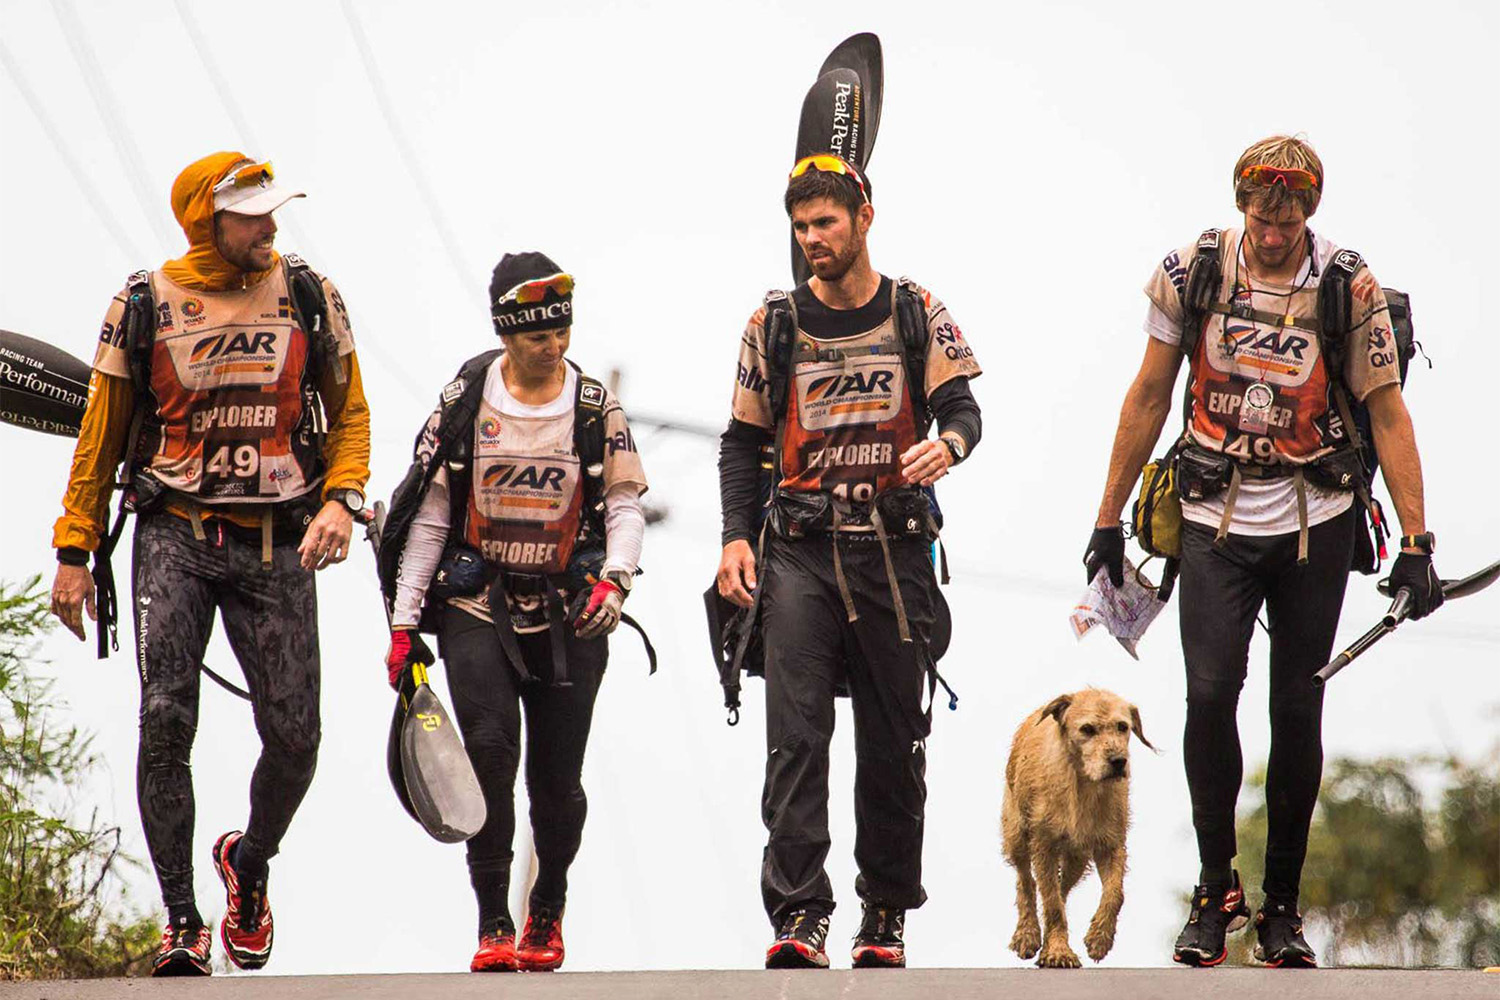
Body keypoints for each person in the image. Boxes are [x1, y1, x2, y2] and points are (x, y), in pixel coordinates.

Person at [1085, 135, 1444, 968]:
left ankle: (1282, 907)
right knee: (1208, 698)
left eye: (1286, 221)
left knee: (1296, 711)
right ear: (1241, 206)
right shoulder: (1195, 270)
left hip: (1316, 520)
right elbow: (1148, 393)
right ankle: (1217, 891)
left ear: (1307, 213)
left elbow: (1387, 415)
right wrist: (1107, 517)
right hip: (1216, 520)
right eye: (1259, 218)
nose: (1271, 234)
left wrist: (1419, 540)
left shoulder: (1346, 284)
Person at [48, 152, 371, 976]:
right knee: (167, 720)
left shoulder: (308, 293)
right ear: (206, 220)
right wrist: (74, 548)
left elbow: (352, 415)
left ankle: (249, 863)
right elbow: (101, 434)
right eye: (253, 214)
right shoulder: (145, 303)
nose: (271, 226)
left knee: (297, 738)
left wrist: (343, 498)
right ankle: (183, 921)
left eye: (273, 212)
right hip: (175, 536)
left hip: (280, 539)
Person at [716, 155, 983, 969]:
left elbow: (963, 408)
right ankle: (799, 912)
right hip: (798, 553)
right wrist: (734, 537)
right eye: (800, 228)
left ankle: (884, 914)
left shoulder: (914, 309)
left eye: (824, 224)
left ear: (863, 219)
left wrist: (951, 448)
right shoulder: (774, 324)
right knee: (796, 737)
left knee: (895, 741)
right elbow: (742, 442)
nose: (811, 240)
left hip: (895, 556)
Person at [380, 252, 647, 973]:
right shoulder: (468, 401)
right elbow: (430, 519)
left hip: (571, 611)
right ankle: (493, 920)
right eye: (537, 335)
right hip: (477, 605)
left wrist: (614, 583)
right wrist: (405, 625)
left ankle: (547, 906)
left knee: (557, 781)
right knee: (491, 757)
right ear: (506, 333)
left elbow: (624, 507)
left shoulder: (595, 408)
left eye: (562, 329)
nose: (553, 345)